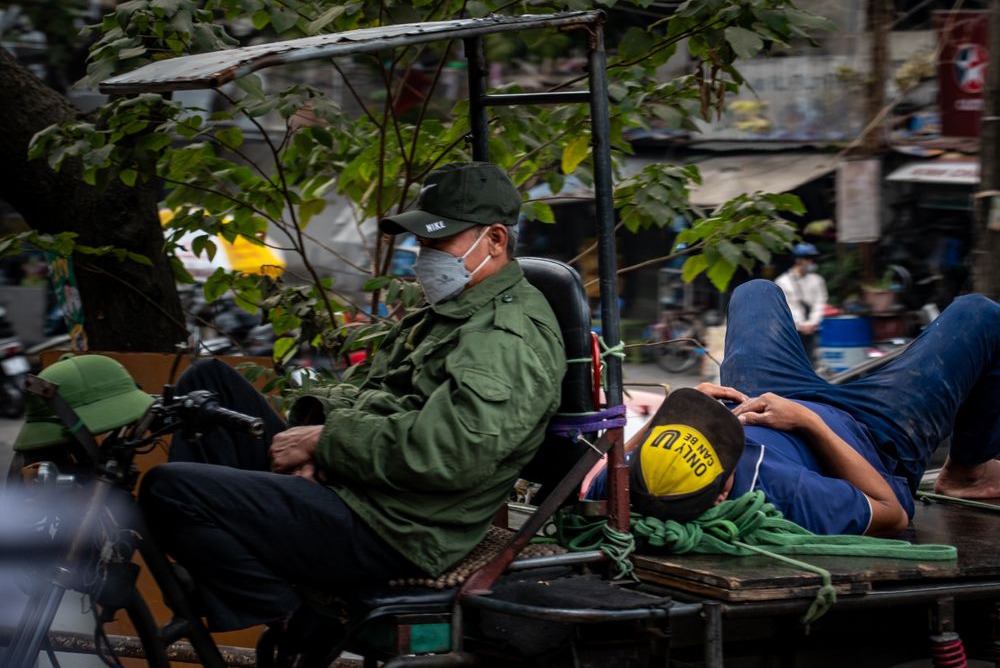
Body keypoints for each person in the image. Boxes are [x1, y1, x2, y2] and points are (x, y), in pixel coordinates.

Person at [138, 162, 567, 632]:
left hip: (395, 527)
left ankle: (285, 612)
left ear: (496, 240)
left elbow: (454, 452)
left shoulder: (504, 337)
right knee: (208, 382)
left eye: (438, 242)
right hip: (362, 484)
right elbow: (369, 392)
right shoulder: (451, 309)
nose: (424, 256)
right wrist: (317, 446)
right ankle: (234, 571)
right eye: (422, 243)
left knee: (171, 489)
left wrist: (326, 444)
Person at [590, 278, 1000, 538]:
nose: (717, 427)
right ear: (722, 495)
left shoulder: (630, 482)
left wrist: (675, 414)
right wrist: (809, 423)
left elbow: (599, 476)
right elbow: (892, 513)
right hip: (871, 432)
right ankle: (965, 474)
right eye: (723, 440)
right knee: (980, 314)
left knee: (755, 291)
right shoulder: (781, 489)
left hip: (767, 401)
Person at [774, 242, 828, 362]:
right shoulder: (783, 281)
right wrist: (800, 324)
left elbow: (820, 302)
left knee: (811, 360)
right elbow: (786, 306)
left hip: (812, 329)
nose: (811, 263)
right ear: (798, 260)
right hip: (792, 330)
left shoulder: (817, 280)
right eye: (808, 259)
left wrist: (812, 323)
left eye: (813, 259)